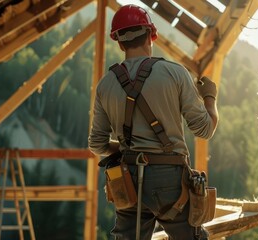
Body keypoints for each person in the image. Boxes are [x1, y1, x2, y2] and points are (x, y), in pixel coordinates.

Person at [88, 4, 219, 240]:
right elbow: (205, 129)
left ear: (119, 42)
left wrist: (129, 147)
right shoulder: (174, 73)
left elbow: (97, 144)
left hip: (126, 179)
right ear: (151, 35)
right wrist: (210, 97)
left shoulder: (105, 84)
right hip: (169, 179)